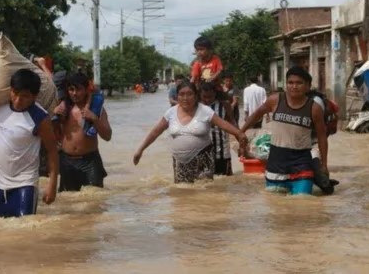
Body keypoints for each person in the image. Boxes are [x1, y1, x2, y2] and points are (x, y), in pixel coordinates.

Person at [0, 69, 59, 218]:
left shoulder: (40, 117)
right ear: (10, 90)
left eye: (25, 96)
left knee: (25, 228)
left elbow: (52, 151)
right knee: (0, 228)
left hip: (25, 183)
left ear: (35, 96)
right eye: (15, 93)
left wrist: (52, 185)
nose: (18, 100)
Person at [134, 82, 247, 183]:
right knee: (182, 193)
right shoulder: (170, 113)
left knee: (205, 192)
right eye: (182, 94)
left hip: (203, 160)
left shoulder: (205, 111)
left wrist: (239, 134)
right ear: (177, 96)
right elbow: (155, 132)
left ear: (196, 96)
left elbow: (223, 124)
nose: (185, 98)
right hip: (180, 162)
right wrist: (140, 150)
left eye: (189, 94)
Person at [240, 67, 327, 195]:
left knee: (303, 201)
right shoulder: (275, 100)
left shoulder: (315, 108)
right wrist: (241, 131)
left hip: (301, 163)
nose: (294, 86)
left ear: (308, 86)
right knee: (276, 204)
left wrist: (324, 165)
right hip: (276, 164)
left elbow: (322, 137)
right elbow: (257, 114)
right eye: (290, 83)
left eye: (299, 83)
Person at [52, 72, 111, 192]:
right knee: (68, 199)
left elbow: (107, 136)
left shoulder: (96, 109)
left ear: (86, 90)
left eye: (78, 89)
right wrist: (54, 115)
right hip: (67, 161)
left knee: (95, 198)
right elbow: (50, 135)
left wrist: (94, 119)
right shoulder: (63, 109)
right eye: (71, 89)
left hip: (90, 162)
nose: (74, 93)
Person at [199, 83, 233, 176]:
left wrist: (241, 141)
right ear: (200, 95)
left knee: (226, 179)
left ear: (215, 94)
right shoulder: (196, 107)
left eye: (210, 97)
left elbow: (232, 123)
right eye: (204, 97)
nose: (207, 100)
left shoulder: (224, 105)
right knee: (205, 180)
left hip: (222, 150)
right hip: (202, 151)